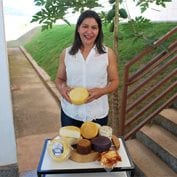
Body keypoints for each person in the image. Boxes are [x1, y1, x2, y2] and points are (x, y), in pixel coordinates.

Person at [55, 10, 119, 127]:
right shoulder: (66, 53)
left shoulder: (108, 54)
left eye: (94, 27)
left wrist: (102, 91)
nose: (89, 31)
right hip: (70, 113)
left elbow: (115, 82)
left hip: (97, 114)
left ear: (98, 31)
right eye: (85, 26)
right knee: (70, 145)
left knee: (96, 146)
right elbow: (59, 79)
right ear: (78, 28)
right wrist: (62, 89)